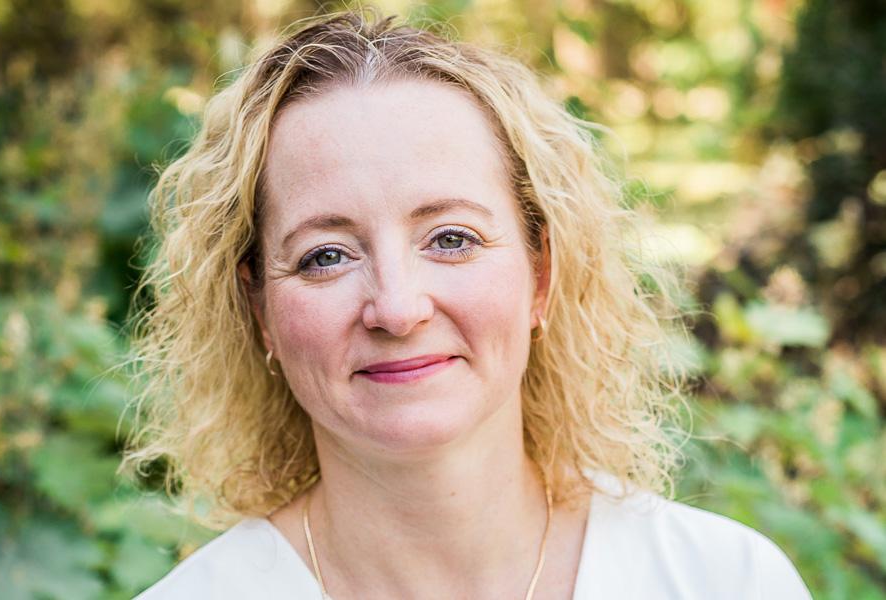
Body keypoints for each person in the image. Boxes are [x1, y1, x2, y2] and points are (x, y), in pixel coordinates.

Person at [125, 9, 812, 599]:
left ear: (541, 274)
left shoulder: (726, 581)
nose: (398, 309)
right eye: (326, 256)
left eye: (451, 239)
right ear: (260, 310)